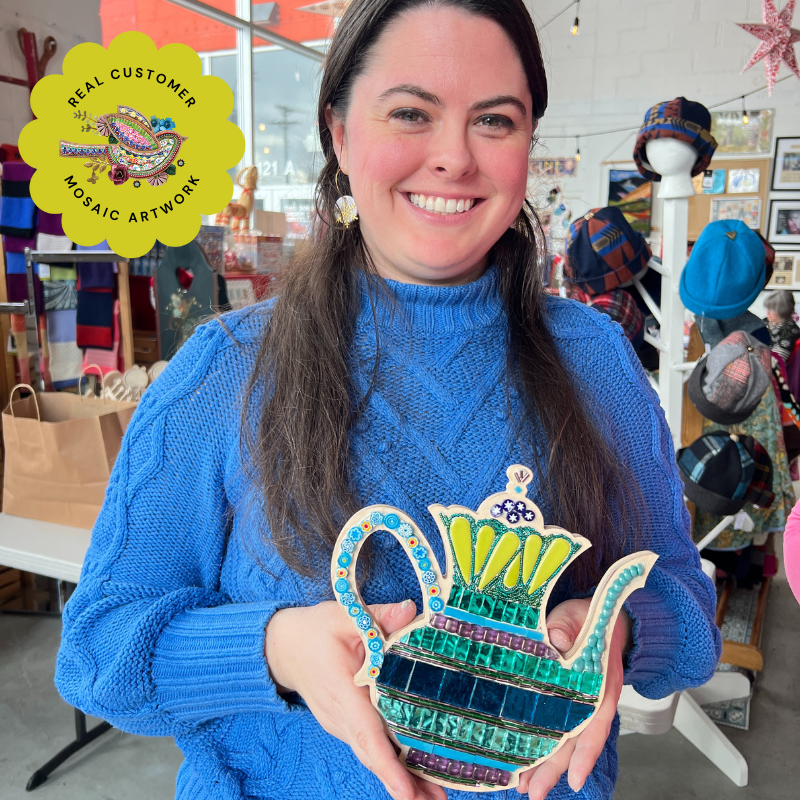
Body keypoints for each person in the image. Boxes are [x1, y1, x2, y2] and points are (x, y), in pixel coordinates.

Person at [54, 2, 721, 799]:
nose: (454, 158)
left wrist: (622, 627)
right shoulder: (227, 368)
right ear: (339, 132)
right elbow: (97, 655)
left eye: (495, 121)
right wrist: (276, 649)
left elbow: (690, 616)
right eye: (410, 113)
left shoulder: (594, 359)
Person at [764, 289, 800, 362]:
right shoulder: (765, 321)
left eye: (772, 310)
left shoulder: (789, 331)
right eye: (767, 308)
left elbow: (776, 361)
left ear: (783, 310)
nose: (767, 312)